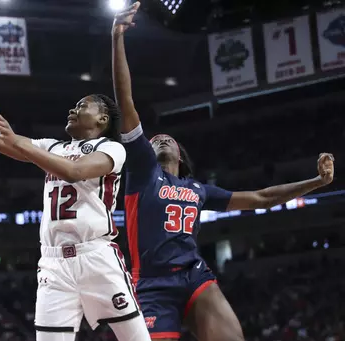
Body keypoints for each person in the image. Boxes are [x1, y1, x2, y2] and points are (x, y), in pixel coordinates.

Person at [111, 3, 336, 341]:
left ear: (180, 156)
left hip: (193, 275)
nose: (159, 139)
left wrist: (317, 182)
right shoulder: (143, 170)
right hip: (152, 283)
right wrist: (117, 38)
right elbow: (125, 102)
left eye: (166, 138)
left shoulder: (198, 189)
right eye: (154, 138)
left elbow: (261, 197)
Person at [0, 62, 151, 341]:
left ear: (102, 119)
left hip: (96, 256)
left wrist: (19, 142)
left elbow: (73, 172)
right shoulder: (53, 147)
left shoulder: (111, 148)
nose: (73, 110)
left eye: (83, 106)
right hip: (53, 263)